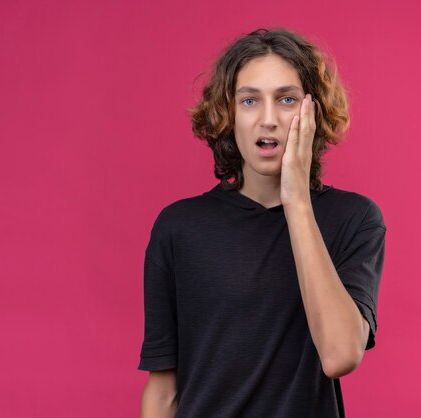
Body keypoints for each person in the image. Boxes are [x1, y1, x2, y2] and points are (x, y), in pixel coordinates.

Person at [138, 28, 386, 418]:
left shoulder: (354, 219)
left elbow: (339, 355)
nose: (268, 119)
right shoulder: (178, 228)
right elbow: (163, 391)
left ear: (312, 111)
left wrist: (297, 202)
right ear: (229, 114)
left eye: (286, 99)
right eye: (250, 100)